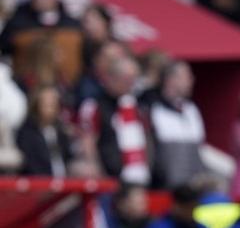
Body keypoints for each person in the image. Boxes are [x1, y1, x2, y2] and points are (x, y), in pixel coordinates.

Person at [77, 46, 151, 185]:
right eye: (127, 79)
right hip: (112, 180)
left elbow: (146, 139)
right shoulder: (94, 106)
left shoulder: (138, 105)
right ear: (111, 78)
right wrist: (99, 173)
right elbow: (88, 142)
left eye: (134, 79)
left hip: (141, 180)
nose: (131, 84)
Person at [147, 62, 206, 190]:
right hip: (163, 187)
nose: (192, 80)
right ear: (170, 79)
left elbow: (199, 149)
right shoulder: (151, 108)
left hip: (192, 188)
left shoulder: (192, 109)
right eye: (187, 76)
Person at [16, 85, 73, 177]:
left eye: (54, 104)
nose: (52, 109)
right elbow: (32, 165)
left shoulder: (61, 131)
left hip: (64, 184)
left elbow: (68, 158)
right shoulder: (27, 133)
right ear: (36, 105)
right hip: (40, 183)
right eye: (47, 104)